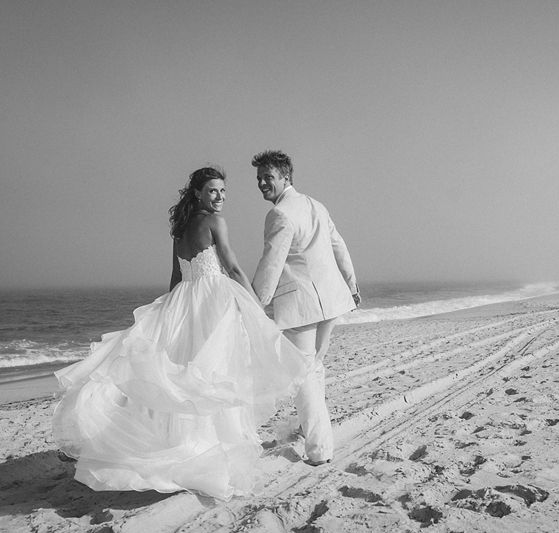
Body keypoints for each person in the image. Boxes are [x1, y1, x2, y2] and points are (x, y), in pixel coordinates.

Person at [52, 166, 309, 500]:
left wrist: (169, 310)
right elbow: (231, 267)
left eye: (224, 191)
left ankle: (186, 447)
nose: (221, 197)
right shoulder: (216, 223)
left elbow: (176, 276)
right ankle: (205, 452)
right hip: (212, 300)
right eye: (214, 191)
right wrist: (256, 304)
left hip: (184, 301)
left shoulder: (180, 228)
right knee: (212, 373)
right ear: (198, 192)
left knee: (188, 371)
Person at [251, 150, 360, 466]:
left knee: (303, 376)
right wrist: (352, 286)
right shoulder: (315, 205)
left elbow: (271, 264)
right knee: (315, 369)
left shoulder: (280, 214)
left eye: (267, 177)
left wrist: (256, 305)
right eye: (258, 178)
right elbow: (339, 245)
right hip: (332, 301)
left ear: (285, 177)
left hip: (303, 305)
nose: (261, 183)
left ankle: (319, 449)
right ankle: (306, 429)